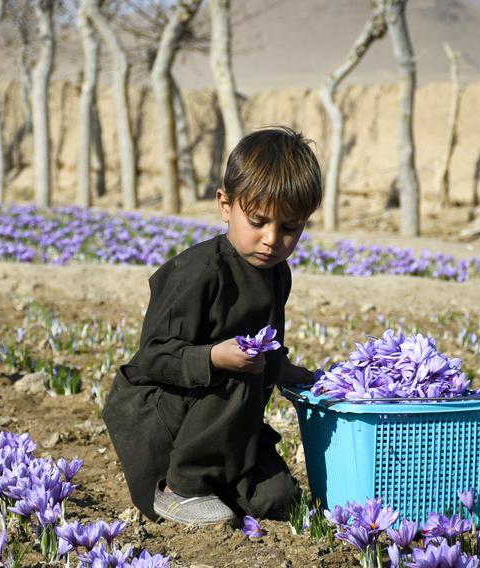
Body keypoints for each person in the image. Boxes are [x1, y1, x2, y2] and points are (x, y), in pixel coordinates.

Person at [102, 126, 321, 526]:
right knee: (239, 368)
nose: (272, 239)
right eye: (257, 221)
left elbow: (266, 346)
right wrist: (214, 357)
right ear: (225, 204)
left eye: (290, 228)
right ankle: (181, 489)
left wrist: (288, 372)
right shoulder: (200, 272)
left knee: (279, 499)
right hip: (161, 421)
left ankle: (212, 482)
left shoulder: (277, 273)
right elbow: (152, 357)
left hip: (223, 426)